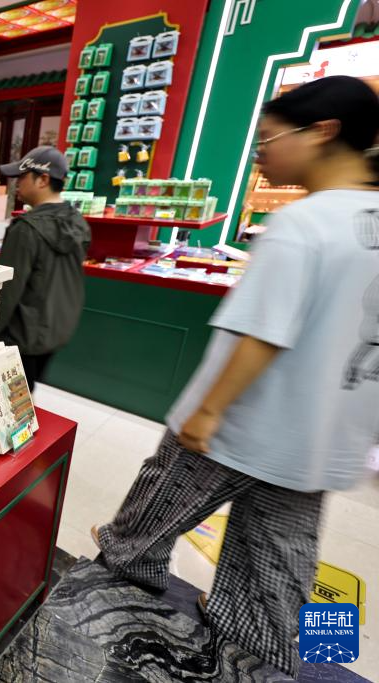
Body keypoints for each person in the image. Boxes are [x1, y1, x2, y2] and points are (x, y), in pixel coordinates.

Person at [92, 75, 379, 677]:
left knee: (146, 521)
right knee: (279, 557)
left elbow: (263, 333)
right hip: (320, 439)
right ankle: (261, 649)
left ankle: (109, 605)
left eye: (268, 139)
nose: (260, 154)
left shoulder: (304, 223)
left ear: (322, 132)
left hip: (241, 419)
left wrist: (208, 410)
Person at [0, 146, 91, 388]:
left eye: (22, 177)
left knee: (12, 395)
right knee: (27, 388)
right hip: (56, 328)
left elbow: (7, 290)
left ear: (43, 180)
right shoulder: (77, 221)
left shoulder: (25, 230)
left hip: (20, 334)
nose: (17, 184)